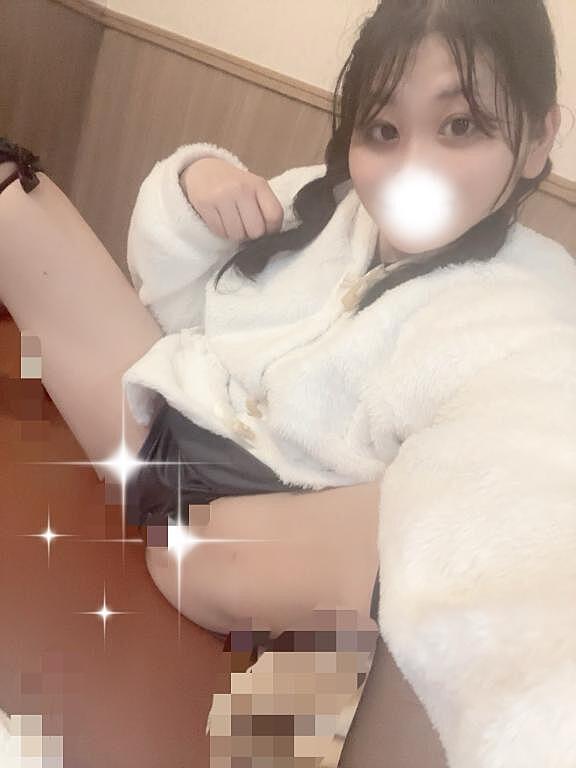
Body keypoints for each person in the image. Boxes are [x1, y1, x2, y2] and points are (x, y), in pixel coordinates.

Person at [0, 0, 575, 764]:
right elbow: (171, 301)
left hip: (240, 546)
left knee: (436, 520)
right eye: (383, 130)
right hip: (153, 435)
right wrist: (195, 188)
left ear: (538, 138)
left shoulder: (534, 315)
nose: (412, 167)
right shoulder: (320, 201)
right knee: (11, 198)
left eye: (460, 125)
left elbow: (521, 514)